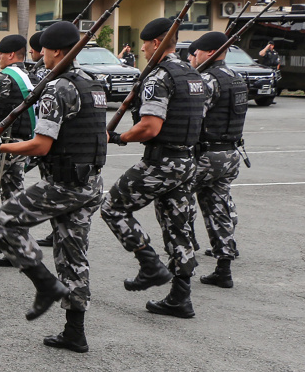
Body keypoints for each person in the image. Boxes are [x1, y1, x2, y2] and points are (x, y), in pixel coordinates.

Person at [0, 21, 106, 353]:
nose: (41, 57)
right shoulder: (92, 84)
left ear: (54, 51)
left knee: (1, 221)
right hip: (90, 181)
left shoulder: (59, 88)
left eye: (44, 52)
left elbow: (40, 146)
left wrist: (1, 147)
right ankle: (74, 332)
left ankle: (44, 284)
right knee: (73, 254)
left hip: (64, 184)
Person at [101, 17, 205, 319]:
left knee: (112, 207)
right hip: (187, 160)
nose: (143, 49)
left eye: (145, 44)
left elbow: (149, 126)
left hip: (162, 160)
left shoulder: (160, 77)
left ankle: (149, 264)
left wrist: (119, 138)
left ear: (156, 43)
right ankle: (180, 297)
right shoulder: (192, 73)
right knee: (178, 225)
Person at [0, 34, 36, 288]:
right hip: (22, 145)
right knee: (15, 197)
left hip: (3, 148)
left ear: (11, 55)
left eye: (0, 54)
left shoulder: (6, 79)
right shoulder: (32, 76)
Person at [188, 31, 247, 288]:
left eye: (197, 51)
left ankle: (183, 259)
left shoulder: (207, 80)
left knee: (175, 197)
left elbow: (193, 118)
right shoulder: (237, 78)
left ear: (210, 52)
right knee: (219, 208)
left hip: (207, 153)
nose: (194, 56)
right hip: (231, 153)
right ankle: (224, 267)